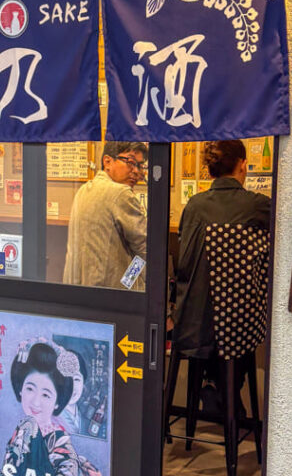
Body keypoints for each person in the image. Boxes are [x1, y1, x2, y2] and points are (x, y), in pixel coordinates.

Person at [0, 341, 107, 476]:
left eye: (46, 394)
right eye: (30, 389)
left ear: (57, 402)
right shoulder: (21, 433)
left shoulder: (60, 444)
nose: (35, 402)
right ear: (20, 390)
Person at [171, 139, 271, 371]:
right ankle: (229, 398)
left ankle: (209, 391)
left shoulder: (194, 205)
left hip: (191, 322)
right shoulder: (258, 206)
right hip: (237, 329)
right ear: (243, 165)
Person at [63, 141, 148, 289]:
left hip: (78, 291)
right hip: (111, 296)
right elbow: (145, 250)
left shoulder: (83, 190)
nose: (137, 171)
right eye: (130, 162)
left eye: (140, 166)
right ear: (107, 161)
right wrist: (128, 282)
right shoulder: (121, 193)